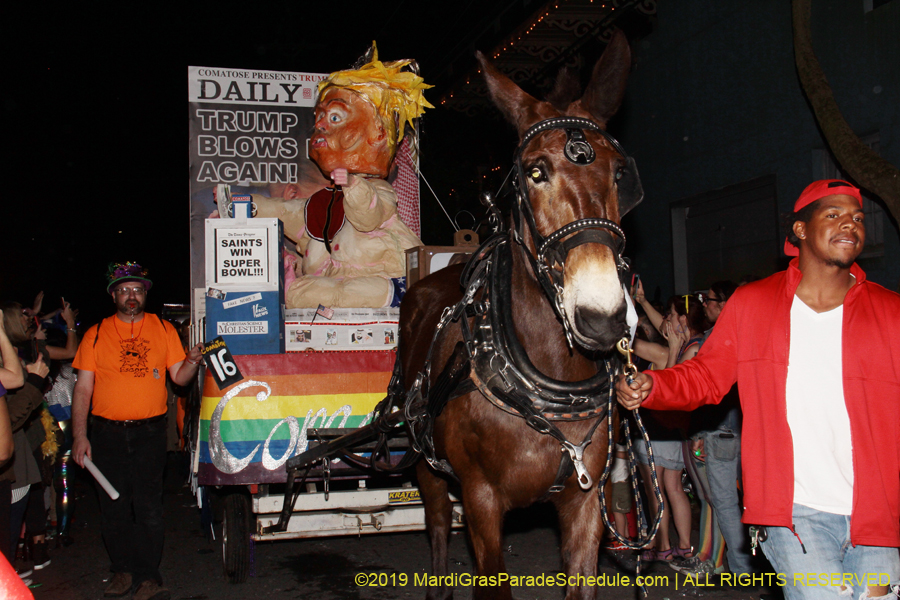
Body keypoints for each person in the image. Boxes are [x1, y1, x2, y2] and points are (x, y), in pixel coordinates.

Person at [617, 180, 900, 599]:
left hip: (877, 515)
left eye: (858, 218)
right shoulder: (754, 305)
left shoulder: (890, 311)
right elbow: (706, 376)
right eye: (835, 215)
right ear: (800, 230)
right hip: (794, 514)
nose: (851, 225)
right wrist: (653, 385)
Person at [251, 43, 431, 309]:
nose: (320, 125)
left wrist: (352, 183)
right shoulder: (322, 204)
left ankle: (395, 295)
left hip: (388, 285)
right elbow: (288, 212)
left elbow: (368, 215)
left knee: (328, 292)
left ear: (378, 133)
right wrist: (246, 206)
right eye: (319, 117)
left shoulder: (379, 191)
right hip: (339, 289)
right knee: (304, 292)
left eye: (335, 117)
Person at [71, 262, 203, 600]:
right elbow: (83, 390)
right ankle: (122, 571)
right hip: (106, 434)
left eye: (138, 290)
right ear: (114, 295)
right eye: (125, 290)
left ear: (145, 295)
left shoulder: (162, 329)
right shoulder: (96, 333)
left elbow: (180, 379)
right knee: (113, 507)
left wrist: (190, 361)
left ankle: (148, 577)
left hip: (149, 434)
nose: (132, 296)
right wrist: (79, 436)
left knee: (148, 508)